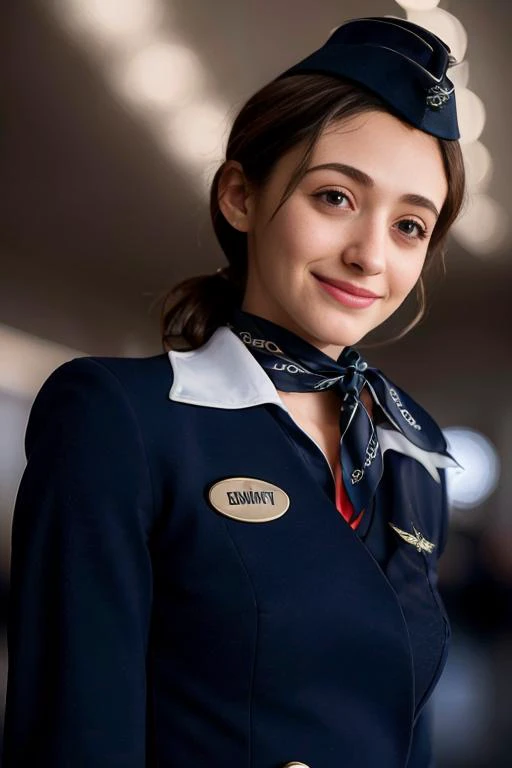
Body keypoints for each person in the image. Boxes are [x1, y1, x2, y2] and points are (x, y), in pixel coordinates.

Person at [3, 16, 466, 768]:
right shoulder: (118, 420)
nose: (369, 256)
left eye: (411, 225)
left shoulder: (417, 450)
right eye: (336, 198)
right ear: (240, 198)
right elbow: (73, 736)